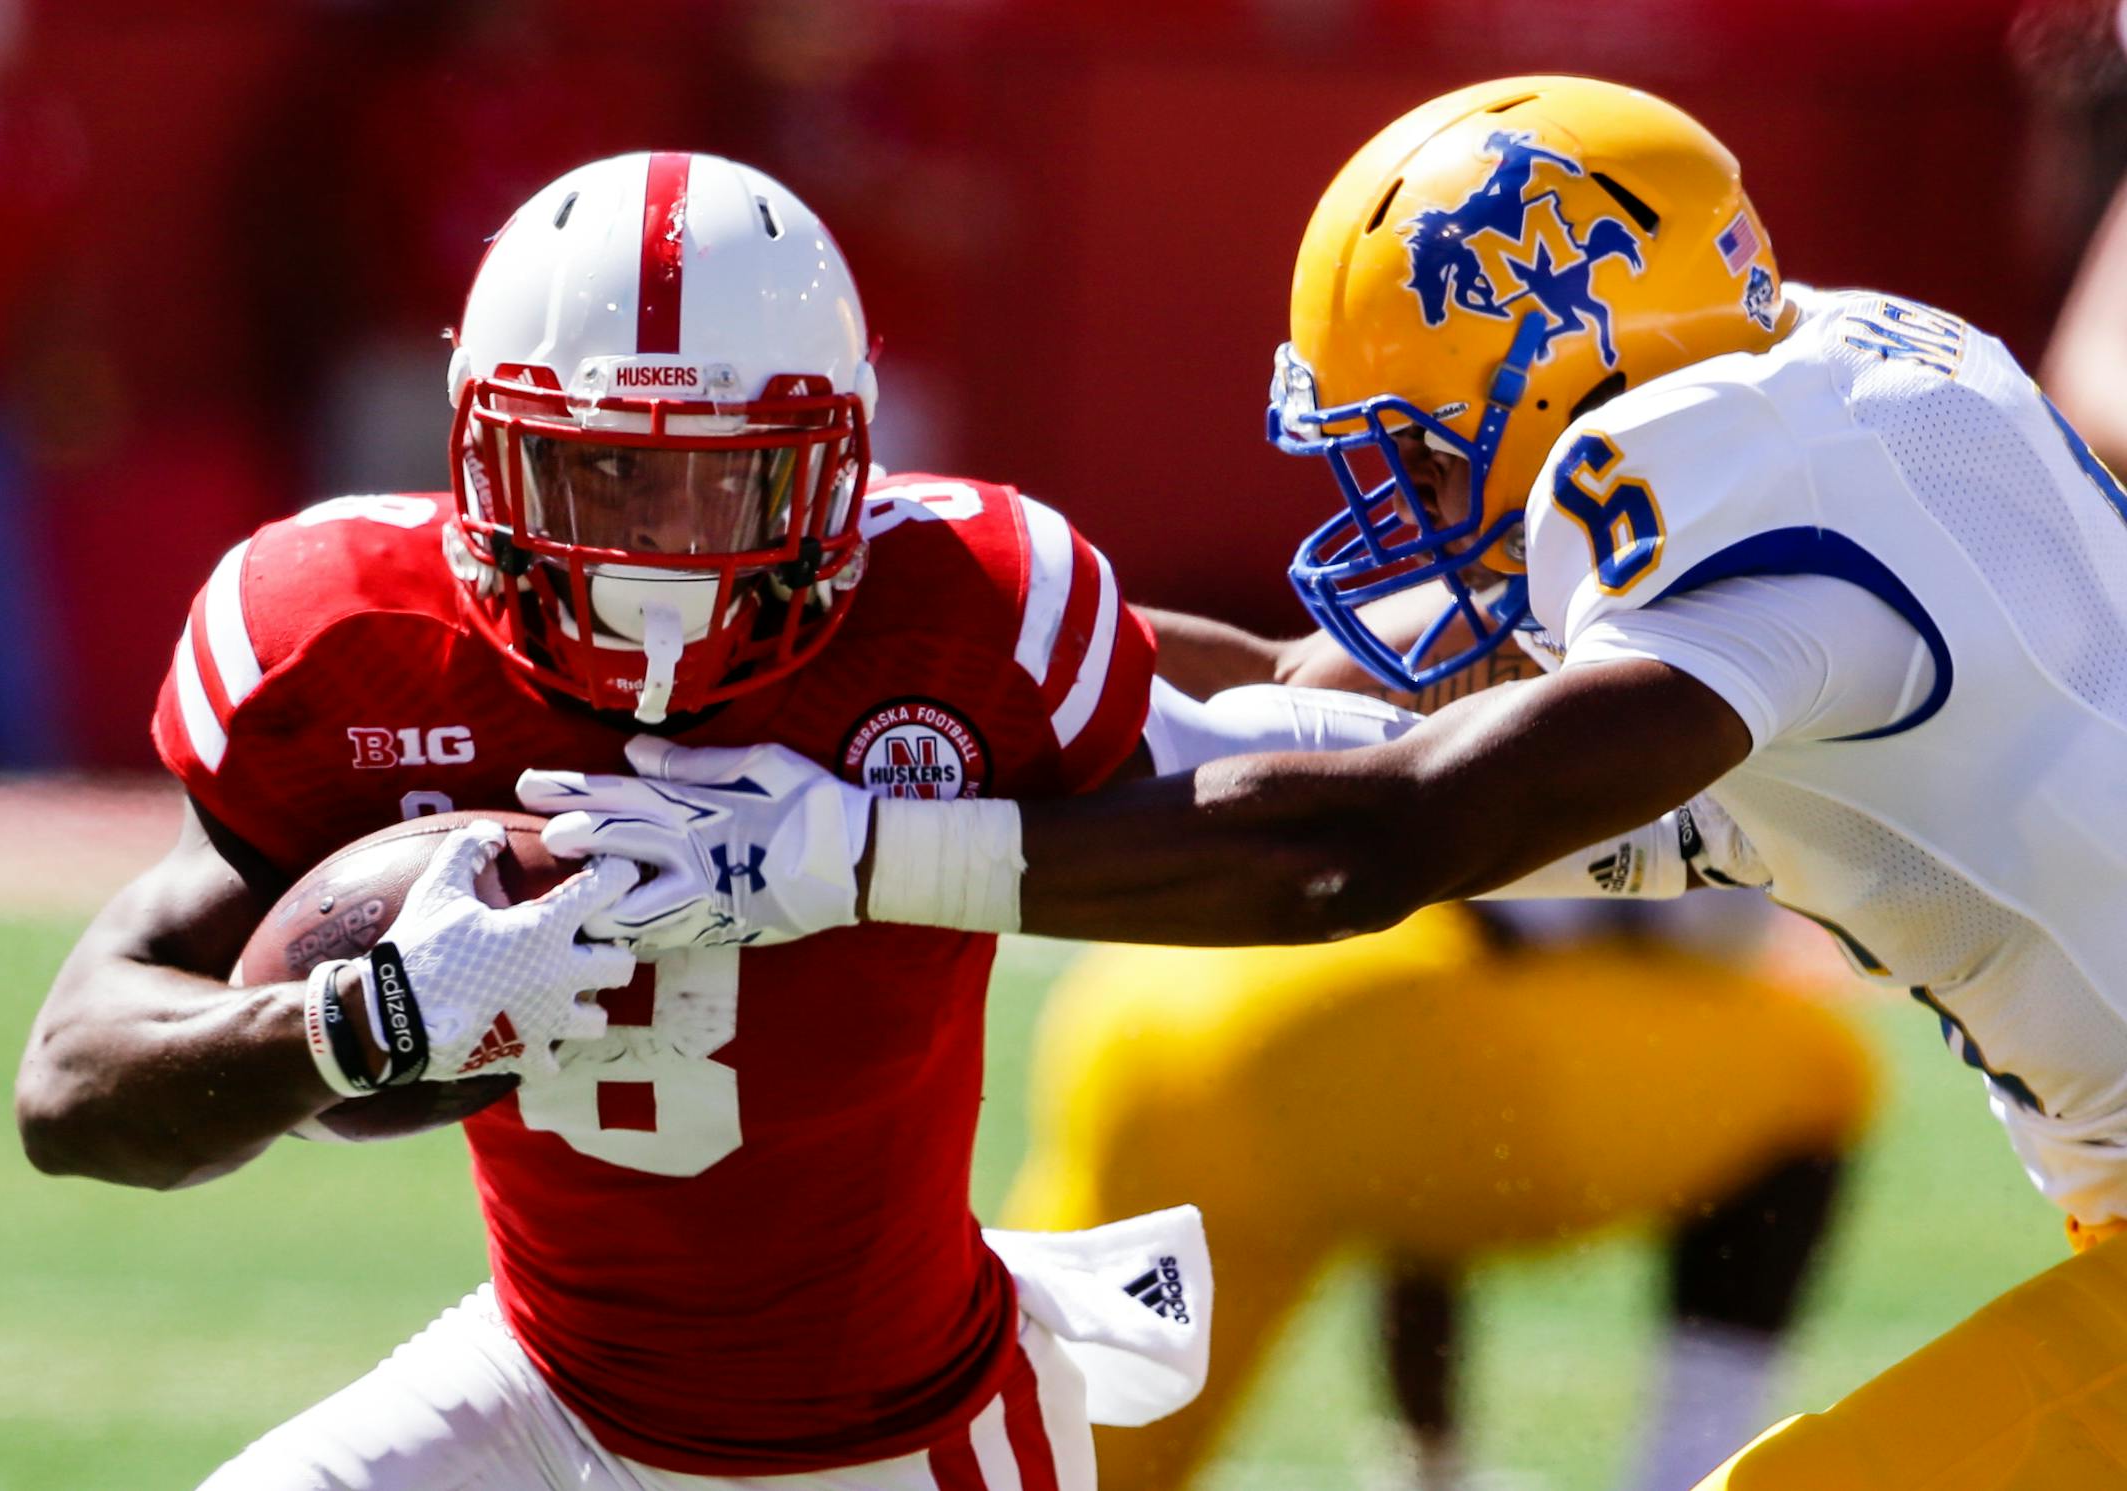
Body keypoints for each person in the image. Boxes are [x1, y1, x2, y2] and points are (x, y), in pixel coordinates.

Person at [521, 77, 2127, 1488]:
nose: (1413, 496)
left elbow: (1382, 835)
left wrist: (845, 857)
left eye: (1426, 446)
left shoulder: (1732, 516)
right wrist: (857, 612)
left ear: (1572, 367)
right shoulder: (1834, 374)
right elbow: (1313, 696)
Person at [11, 152, 1256, 1491]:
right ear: (479, 452)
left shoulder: (959, 607)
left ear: (841, 469)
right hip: (541, 1388)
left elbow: (1300, 830)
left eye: (728, 482)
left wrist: (880, 855)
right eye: (600, 472)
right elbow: (71, 1087)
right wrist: (362, 1019)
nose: (654, 554)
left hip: (894, 1440)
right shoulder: (351, 641)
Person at [1000, 897, 1871, 1491]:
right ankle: (1691, 1467)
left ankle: (1427, 1465)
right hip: (1378, 1021)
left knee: (1049, 1457)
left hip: (1143, 998)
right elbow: (1711, 925)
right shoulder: (1654, 655)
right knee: (1817, 1063)